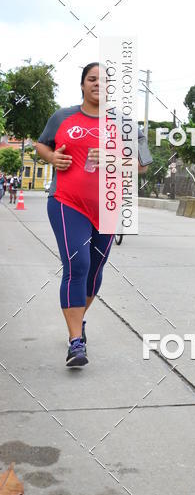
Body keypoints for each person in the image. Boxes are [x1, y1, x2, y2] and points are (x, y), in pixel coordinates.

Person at [35, 63, 152, 368]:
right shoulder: (63, 117)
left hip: (108, 206)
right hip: (66, 201)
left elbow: (142, 164)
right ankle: (76, 342)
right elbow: (41, 145)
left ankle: (79, 320)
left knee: (95, 271)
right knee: (78, 264)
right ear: (83, 85)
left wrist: (114, 156)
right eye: (92, 79)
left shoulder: (126, 124)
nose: (99, 84)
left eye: (105, 80)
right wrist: (52, 156)